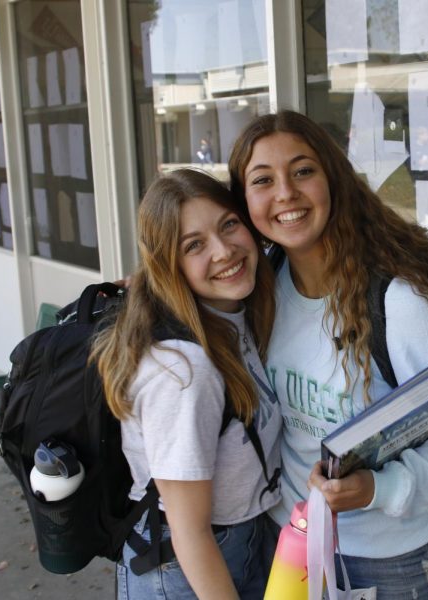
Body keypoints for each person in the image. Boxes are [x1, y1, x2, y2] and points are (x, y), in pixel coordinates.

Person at [228, 111, 428, 599]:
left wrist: (377, 489)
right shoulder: (261, 287)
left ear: (334, 178)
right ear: (243, 203)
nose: (285, 192)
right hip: (290, 549)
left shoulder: (403, 304)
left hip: (392, 564)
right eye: (262, 180)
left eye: (303, 170)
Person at [90, 168, 281, 599]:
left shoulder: (231, 315)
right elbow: (189, 531)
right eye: (194, 245)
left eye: (229, 225)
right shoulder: (183, 372)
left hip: (243, 540)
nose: (223, 250)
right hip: (190, 566)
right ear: (168, 265)